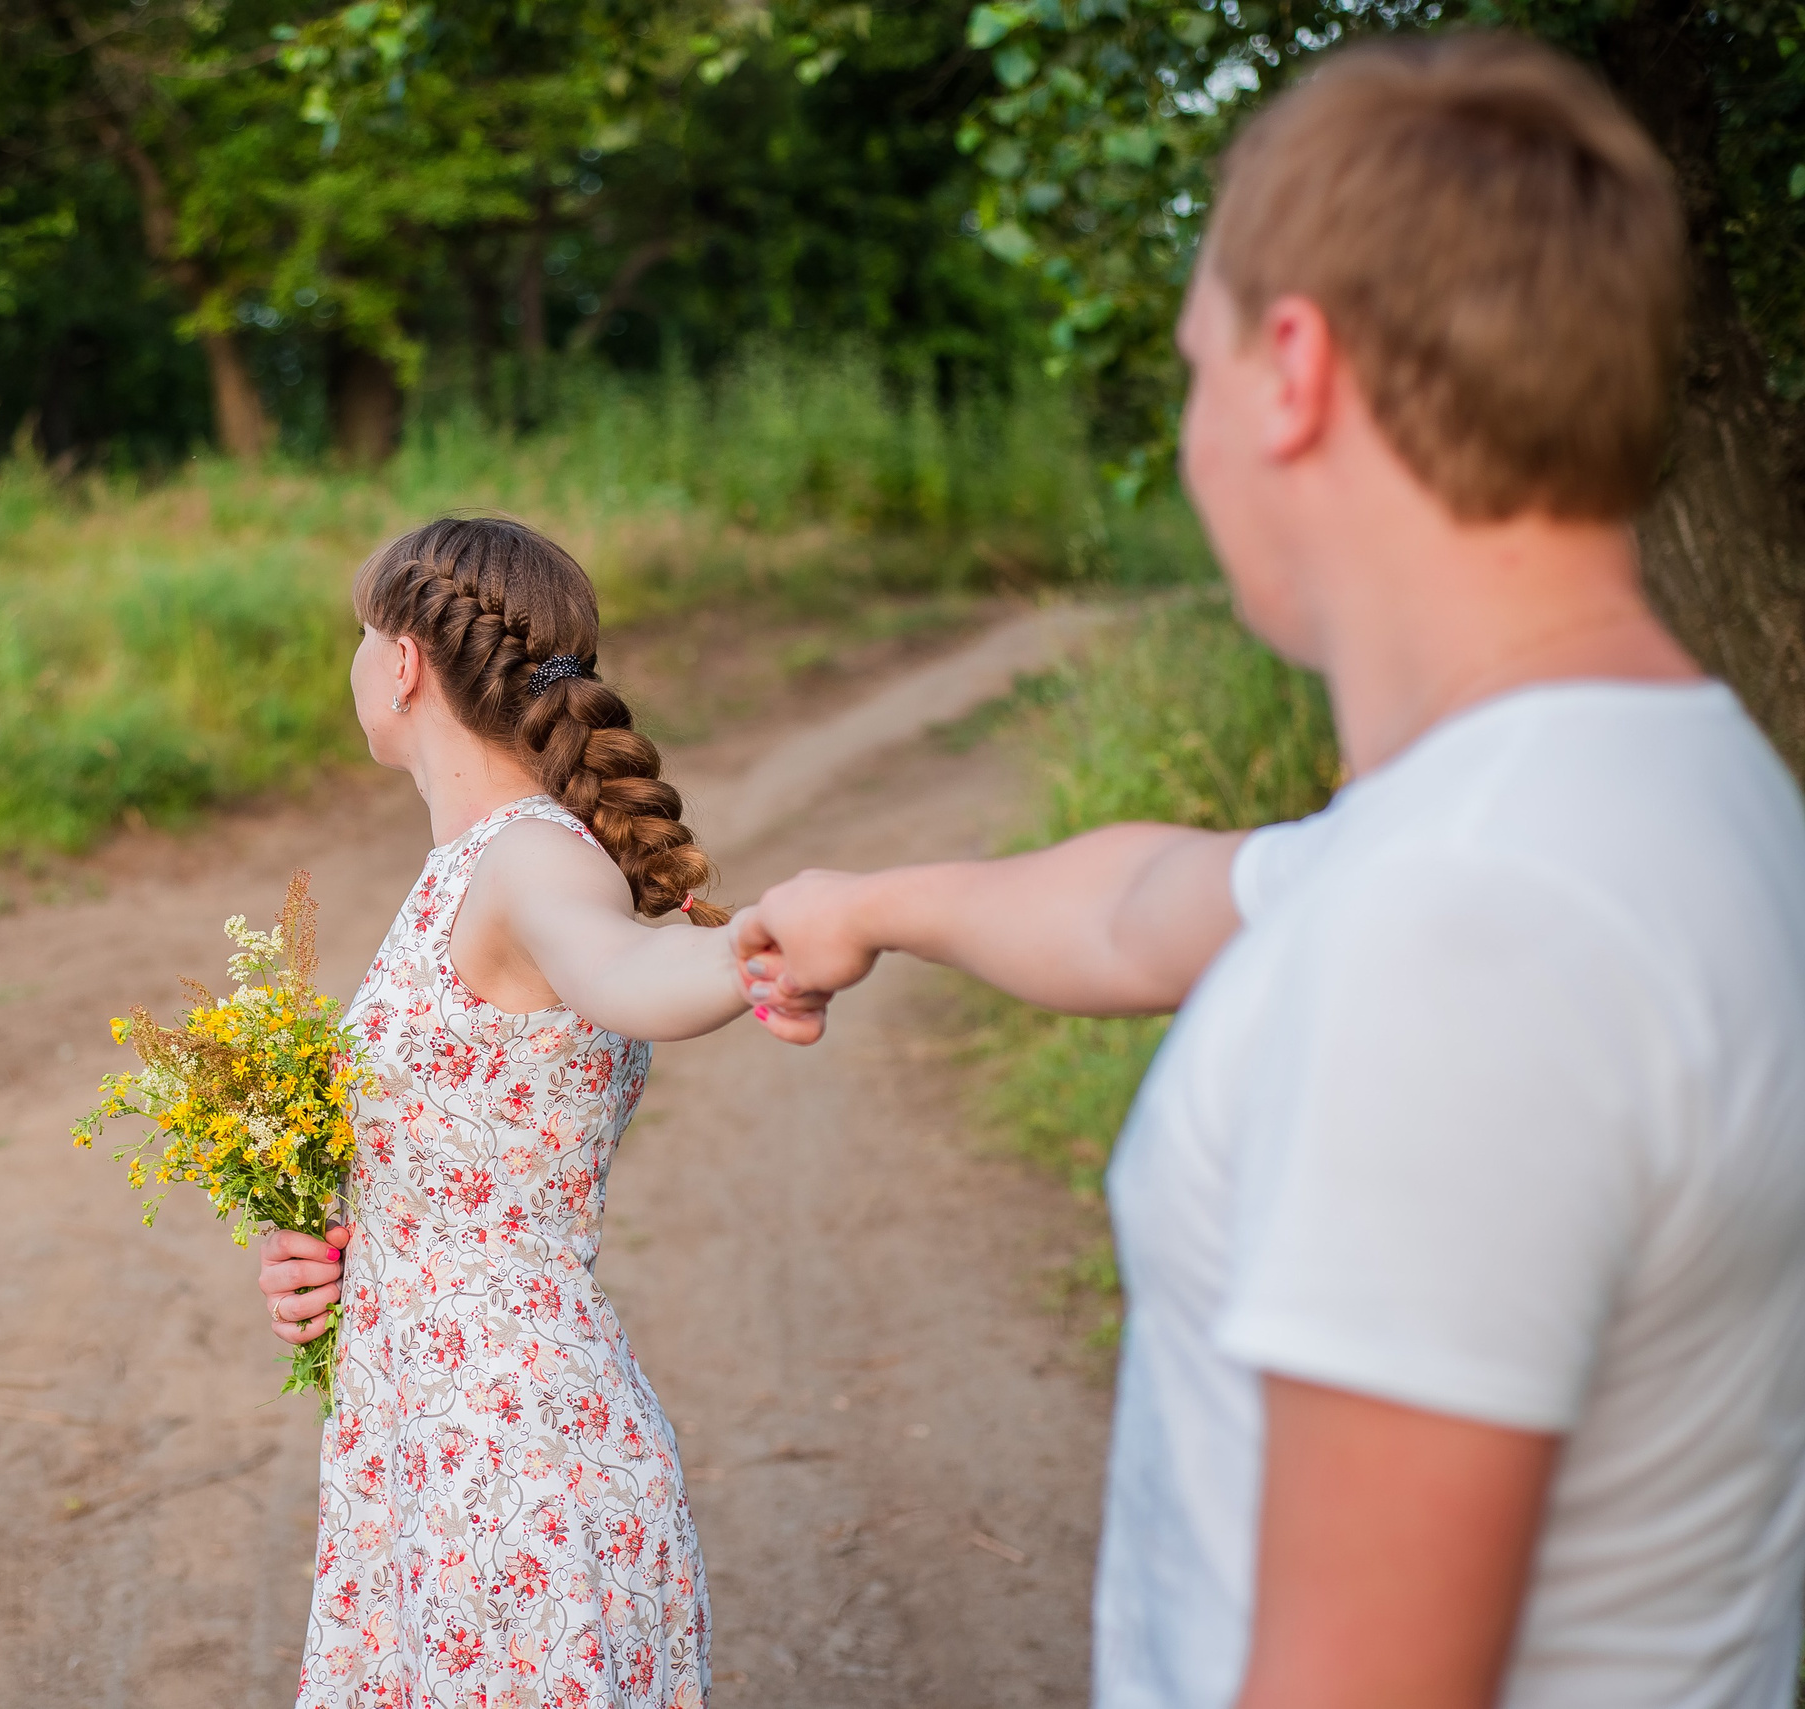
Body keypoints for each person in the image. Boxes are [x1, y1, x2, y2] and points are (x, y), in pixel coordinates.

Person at [732, 34, 1805, 1709]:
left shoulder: (1463, 933)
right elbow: (1142, 902)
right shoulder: (1662, 788)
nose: (1192, 433)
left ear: (1290, 370)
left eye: (1192, 366)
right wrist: (867, 905)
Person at [261, 517, 768, 1709]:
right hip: (419, 1451)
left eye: (356, 639)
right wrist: (329, 1246)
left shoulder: (533, 857)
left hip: (512, 1461)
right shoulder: (470, 862)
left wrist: (764, 945)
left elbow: (624, 972)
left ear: (399, 662)